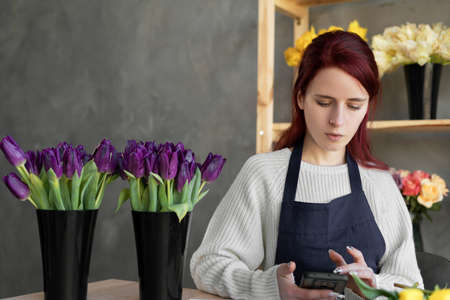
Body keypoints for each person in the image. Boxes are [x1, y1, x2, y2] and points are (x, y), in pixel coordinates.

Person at [190, 30, 423, 300]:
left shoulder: (381, 184)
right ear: (301, 97)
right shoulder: (264, 174)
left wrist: (374, 284)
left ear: (368, 106)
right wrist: (272, 288)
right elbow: (208, 264)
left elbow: (411, 285)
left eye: (354, 105)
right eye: (324, 102)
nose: (338, 120)